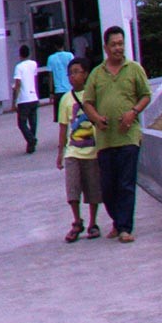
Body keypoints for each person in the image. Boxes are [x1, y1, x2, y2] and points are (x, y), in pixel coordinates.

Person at [79, 25, 150, 241]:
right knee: (108, 187)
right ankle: (117, 222)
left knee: (126, 183)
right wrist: (96, 118)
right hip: (106, 140)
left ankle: (125, 228)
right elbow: (87, 102)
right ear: (106, 47)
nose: (118, 48)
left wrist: (133, 112)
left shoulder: (134, 68)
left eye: (121, 43)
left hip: (128, 137)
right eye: (114, 44)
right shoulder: (97, 74)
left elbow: (146, 95)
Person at [58, 84, 100, 241]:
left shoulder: (93, 95)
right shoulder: (66, 99)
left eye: (77, 72)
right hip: (72, 152)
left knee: (93, 189)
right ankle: (77, 221)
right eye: (70, 73)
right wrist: (60, 152)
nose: (73, 77)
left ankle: (93, 223)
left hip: (92, 152)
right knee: (72, 187)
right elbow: (63, 128)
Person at [11, 49, 45, 153]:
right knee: (33, 122)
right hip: (33, 96)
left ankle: (31, 140)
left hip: (23, 99)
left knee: (22, 123)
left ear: (20, 55)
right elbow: (33, 78)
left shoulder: (19, 67)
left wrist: (14, 101)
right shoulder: (33, 64)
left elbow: (18, 84)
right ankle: (31, 146)